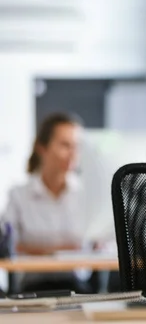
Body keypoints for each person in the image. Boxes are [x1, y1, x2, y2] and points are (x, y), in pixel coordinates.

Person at [2, 112, 92, 293]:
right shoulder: (19, 195)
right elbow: (10, 246)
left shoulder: (86, 195)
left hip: (78, 287)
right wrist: (66, 249)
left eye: (77, 147)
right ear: (42, 148)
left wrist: (37, 249)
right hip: (31, 287)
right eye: (65, 145)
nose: (72, 154)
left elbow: (96, 244)